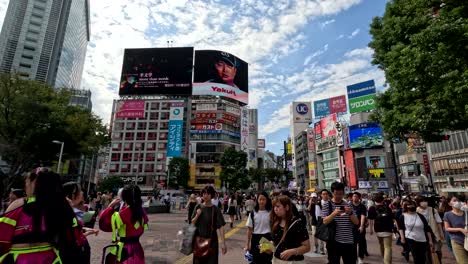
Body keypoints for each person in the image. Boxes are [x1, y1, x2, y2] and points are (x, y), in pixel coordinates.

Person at [0, 168, 76, 263]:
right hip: (51, 259)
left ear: (35, 182)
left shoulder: (20, 204)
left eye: (27, 181)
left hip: (20, 259)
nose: (25, 186)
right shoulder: (61, 206)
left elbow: (2, 236)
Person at [99, 185, 149, 264]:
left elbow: (105, 225)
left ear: (123, 198)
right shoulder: (142, 213)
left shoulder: (123, 214)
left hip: (124, 249)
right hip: (137, 248)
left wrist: (110, 206)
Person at [322, 182, 359, 264]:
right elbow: (324, 221)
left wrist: (350, 213)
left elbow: (356, 222)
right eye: (336, 194)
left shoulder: (348, 205)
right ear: (332, 193)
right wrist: (334, 213)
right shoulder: (327, 205)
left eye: (341, 194)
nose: (338, 196)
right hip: (333, 242)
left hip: (349, 242)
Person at [63, 182, 99, 264]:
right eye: (79, 191)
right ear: (71, 195)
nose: (82, 192)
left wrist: (85, 230)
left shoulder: (74, 210)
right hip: (73, 254)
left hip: (80, 250)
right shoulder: (66, 213)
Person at [191, 186, 227, 264]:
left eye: (208, 193)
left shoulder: (216, 209)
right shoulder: (198, 207)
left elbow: (220, 227)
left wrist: (223, 243)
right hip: (199, 241)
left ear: (212, 195)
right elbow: (192, 223)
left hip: (212, 242)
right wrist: (197, 215)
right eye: (204, 193)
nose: (205, 195)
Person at [270, 195, 310, 263]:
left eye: (278, 206)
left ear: (287, 207)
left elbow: (307, 247)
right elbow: (275, 243)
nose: (275, 209)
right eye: (274, 206)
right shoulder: (275, 222)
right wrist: (267, 246)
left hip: (293, 261)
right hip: (276, 260)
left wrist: (293, 251)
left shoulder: (297, 223)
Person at [397, 200, 434, 264]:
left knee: (423, 257)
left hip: (422, 239)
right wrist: (402, 237)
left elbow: (427, 228)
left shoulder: (420, 216)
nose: (411, 206)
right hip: (410, 238)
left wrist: (430, 240)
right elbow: (401, 228)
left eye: (413, 205)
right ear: (406, 207)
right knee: (416, 256)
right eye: (409, 205)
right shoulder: (403, 216)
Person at [245, 192, 273, 264]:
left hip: (267, 238)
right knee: (255, 260)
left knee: (267, 260)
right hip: (255, 239)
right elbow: (249, 229)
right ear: (257, 200)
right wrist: (247, 244)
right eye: (260, 199)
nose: (262, 201)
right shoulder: (253, 213)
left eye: (264, 199)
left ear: (267, 200)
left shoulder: (271, 212)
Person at [416, 196, 444, 263]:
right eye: (422, 201)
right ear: (418, 203)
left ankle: (438, 261)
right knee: (426, 252)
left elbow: (438, 222)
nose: (424, 202)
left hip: (434, 233)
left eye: (425, 201)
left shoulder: (432, 210)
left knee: (437, 250)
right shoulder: (416, 210)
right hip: (422, 234)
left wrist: (441, 232)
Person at [368, 193, 395, 264]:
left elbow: (371, 220)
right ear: (383, 200)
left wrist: (371, 229)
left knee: (381, 244)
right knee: (388, 247)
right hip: (388, 229)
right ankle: (387, 261)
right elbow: (392, 218)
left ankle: (384, 258)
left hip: (378, 229)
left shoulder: (372, 208)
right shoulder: (387, 207)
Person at [443, 196, 468, 264]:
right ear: (449, 203)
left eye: (458, 200)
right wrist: (460, 229)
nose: (457, 202)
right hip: (457, 241)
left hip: (467, 239)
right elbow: (447, 228)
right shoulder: (447, 214)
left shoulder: (466, 212)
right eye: (454, 200)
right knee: (463, 262)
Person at [351, 192, 368, 263]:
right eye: (353, 196)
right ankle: (354, 258)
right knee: (353, 243)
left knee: (361, 242)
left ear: (359, 198)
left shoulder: (362, 206)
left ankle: (361, 257)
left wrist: (361, 226)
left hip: (360, 227)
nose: (355, 197)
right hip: (351, 227)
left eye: (356, 196)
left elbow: (363, 216)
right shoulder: (349, 205)